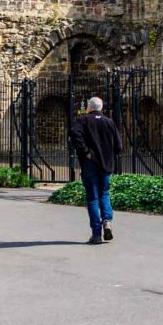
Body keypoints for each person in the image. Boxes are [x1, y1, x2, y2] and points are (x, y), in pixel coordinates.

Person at [68, 96, 123, 245]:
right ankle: (107, 222)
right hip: (105, 164)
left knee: (92, 197)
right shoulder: (109, 122)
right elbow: (119, 146)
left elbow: (74, 134)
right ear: (101, 108)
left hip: (90, 163)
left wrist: (85, 151)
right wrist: (108, 154)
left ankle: (96, 234)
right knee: (104, 194)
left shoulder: (83, 120)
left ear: (89, 107)